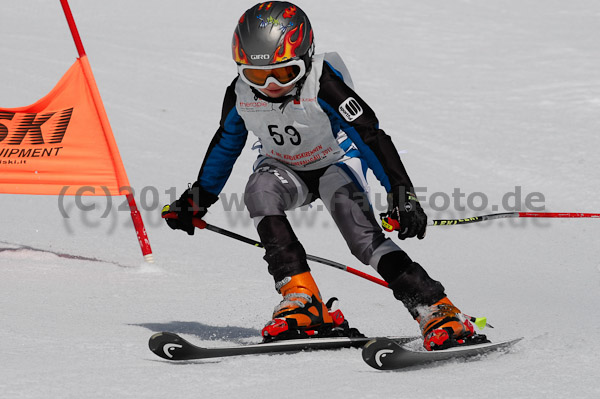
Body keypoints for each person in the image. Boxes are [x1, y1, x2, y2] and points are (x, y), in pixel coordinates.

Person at [162, 1, 483, 351]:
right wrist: (197, 200)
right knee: (259, 188)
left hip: (336, 163)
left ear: (306, 60)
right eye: (257, 76)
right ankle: (302, 298)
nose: (270, 85)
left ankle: (436, 308)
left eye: (285, 74)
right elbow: (226, 144)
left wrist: (400, 193)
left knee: (361, 238)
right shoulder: (240, 94)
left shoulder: (323, 83)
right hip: (285, 169)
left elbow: (371, 136)